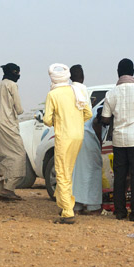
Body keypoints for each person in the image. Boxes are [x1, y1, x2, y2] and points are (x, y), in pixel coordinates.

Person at [101, 59, 134, 222]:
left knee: (120, 176)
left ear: (118, 72)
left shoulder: (111, 93)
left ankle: (120, 211)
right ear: (133, 71)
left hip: (119, 141)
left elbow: (104, 119)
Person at [44, 63, 92, 224]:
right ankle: (64, 203)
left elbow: (46, 120)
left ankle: (67, 211)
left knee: (62, 173)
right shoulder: (76, 90)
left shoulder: (53, 94)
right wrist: (76, 122)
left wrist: (57, 122)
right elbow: (88, 113)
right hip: (78, 135)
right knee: (68, 171)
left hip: (64, 137)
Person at [0, 63, 25, 201]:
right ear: (14, 73)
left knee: (0, 157)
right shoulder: (12, 85)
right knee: (19, 155)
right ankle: (9, 188)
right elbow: (18, 109)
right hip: (8, 125)